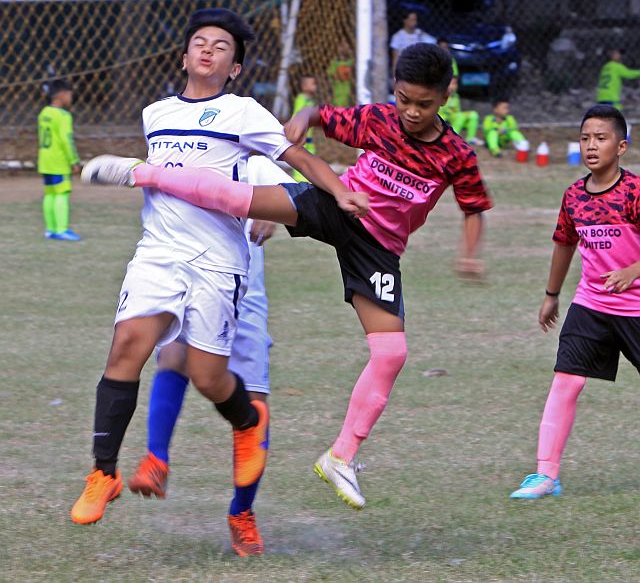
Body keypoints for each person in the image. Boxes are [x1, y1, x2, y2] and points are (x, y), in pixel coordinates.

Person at [81, 43, 493, 510]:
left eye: (424, 103)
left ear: (447, 96)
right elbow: (320, 114)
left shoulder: (457, 154)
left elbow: (474, 206)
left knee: (392, 352)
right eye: (403, 99)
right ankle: (144, 173)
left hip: (378, 250)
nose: (412, 112)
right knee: (236, 197)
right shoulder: (379, 119)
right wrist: (302, 118)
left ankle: (340, 457)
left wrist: (470, 255)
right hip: (337, 205)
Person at [70, 7, 367, 528]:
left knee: (208, 377)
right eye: (199, 43)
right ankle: (104, 473)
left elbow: (298, 159)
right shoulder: (155, 113)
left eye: (221, 47)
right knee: (126, 347)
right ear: (184, 56)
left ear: (233, 68)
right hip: (158, 252)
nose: (208, 50)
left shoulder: (243, 112)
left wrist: (339, 190)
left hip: (218, 263)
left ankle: (247, 424)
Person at [128, 156, 293, 556]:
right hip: (193, 282)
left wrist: (275, 212)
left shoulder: (254, 156)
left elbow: (294, 190)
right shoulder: (185, 149)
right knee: (173, 356)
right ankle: (156, 460)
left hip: (244, 295)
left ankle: (242, 513)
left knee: (254, 404)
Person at [510, 104, 640, 500]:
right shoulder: (574, 196)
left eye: (601, 138)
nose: (591, 146)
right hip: (591, 305)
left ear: (621, 147)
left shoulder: (634, 191)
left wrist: (633, 271)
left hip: (635, 307)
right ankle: (545, 475)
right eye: (585, 138)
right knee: (566, 380)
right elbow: (565, 243)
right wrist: (552, 295)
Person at [37, 79, 82, 241]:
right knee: (62, 193)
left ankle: (50, 229)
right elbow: (66, 139)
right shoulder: (63, 115)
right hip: (59, 161)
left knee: (49, 194)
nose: (71, 97)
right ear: (62, 94)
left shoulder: (44, 113)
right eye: (70, 94)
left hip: (45, 160)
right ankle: (62, 230)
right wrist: (74, 160)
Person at [389, 10, 436, 76]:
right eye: (412, 19)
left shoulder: (419, 33)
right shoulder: (397, 37)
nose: (414, 22)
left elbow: (433, 42)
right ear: (405, 20)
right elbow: (395, 58)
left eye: (415, 19)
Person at [290, 75, 319, 181]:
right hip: (302, 137)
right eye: (313, 84)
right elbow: (296, 115)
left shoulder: (310, 100)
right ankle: (300, 180)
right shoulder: (301, 99)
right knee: (302, 158)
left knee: (311, 158)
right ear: (304, 86)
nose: (315, 86)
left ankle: (308, 179)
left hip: (308, 138)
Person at [439, 75, 481, 146]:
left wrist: (463, 114)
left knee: (473, 114)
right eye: (451, 83)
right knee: (460, 116)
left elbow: (457, 111)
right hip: (443, 120)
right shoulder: (440, 95)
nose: (454, 86)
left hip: (454, 118)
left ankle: (470, 138)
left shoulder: (456, 96)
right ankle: (452, 139)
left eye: (455, 83)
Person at [327, 41, 354, 107]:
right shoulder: (335, 62)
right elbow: (331, 74)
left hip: (348, 93)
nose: (343, 48)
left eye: (345, 46)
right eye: (341, 46)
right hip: (338, 94)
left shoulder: (351, 61)